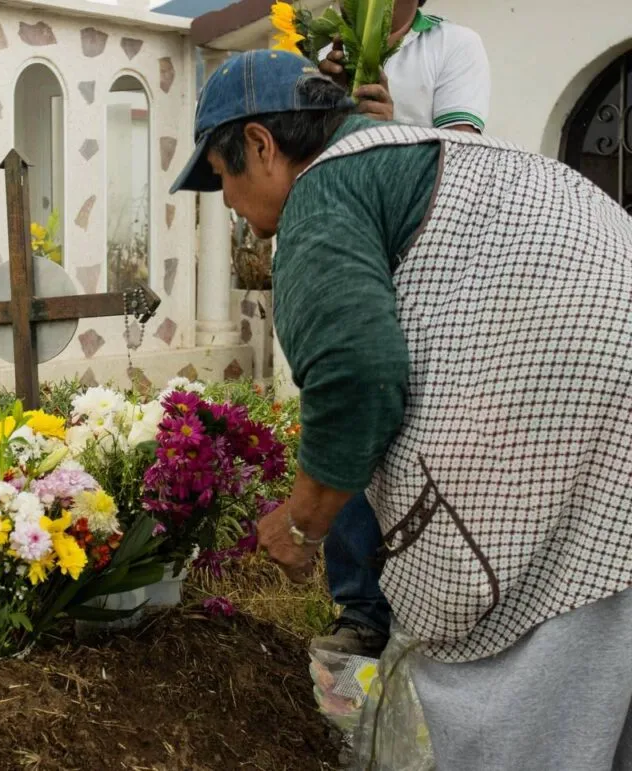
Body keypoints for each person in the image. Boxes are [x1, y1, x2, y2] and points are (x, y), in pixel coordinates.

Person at [169, 50, 632, 770]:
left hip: (580, 418)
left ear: (260, 145)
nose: (226, 201)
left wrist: (300, 520)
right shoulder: (437, 152)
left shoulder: (323, 191)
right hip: (606, 410)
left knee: (515, 677)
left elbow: (357, 374)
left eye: (222, 176)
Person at [312, 0, 492, 659]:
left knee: (430, 432)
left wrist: (389, 127)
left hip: (431, 271)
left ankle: (438, 609)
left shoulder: (453, 46)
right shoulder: (320, 50)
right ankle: (362, 607)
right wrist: (325, 106)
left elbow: (468, 158)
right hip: (352, 259)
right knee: (354, 414)